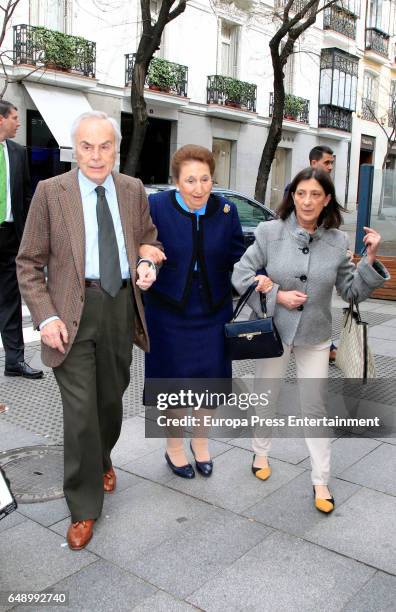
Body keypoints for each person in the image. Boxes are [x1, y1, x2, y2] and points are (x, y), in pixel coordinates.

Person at [17, 111, 162, 550]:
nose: (96, 156)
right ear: (73, 148)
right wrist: (45, 316)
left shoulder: (133, 190)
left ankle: (102, 458)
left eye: (104, 146)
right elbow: (27, 262)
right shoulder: (50, 192)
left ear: (115, 149)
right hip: (69, 312)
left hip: (120, 308)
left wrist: (147, 261)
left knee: (110, 401)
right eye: (86, 146)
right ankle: (83, 506)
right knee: (80, 412)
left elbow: (149, 239)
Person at [232, 167, 389, 513]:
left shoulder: (337, 241)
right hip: (273, 331)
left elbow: (351, 291)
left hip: (316, 333)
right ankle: (260, 451)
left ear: (327, 199)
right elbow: (241, 274)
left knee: (314, 407)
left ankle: (321, 480)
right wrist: (276, 294)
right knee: (266, 394)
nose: (307, 201)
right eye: (301, 193)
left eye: (315, 194)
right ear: (292, 195)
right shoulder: (269, 232)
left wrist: (371, 260)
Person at [145, 145, 245, 478]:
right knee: (172, 385)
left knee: (210, 382)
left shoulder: (226, 210)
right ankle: (174, 447)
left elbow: (239, 256)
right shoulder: (156, 207)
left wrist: (258, 274)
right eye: (190, 180)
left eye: (205, 179)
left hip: (214, 309)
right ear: (176, 181)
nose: (199, 188)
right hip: (168, 310)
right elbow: (142, 246)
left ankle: (201, 443)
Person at [0, 100, 43, 379]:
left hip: (10, 238)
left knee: (11, 302)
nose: (18, 122)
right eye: (14, 118)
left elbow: (26, 196)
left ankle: (14, 361)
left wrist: (28, 234)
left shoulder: (17, 153)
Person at [285, 145, 338, 362]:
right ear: (314, 162)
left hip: (316, 326)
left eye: (316, 195)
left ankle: (326, 345)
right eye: (327, 162)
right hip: (282, 318)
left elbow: (352, 289)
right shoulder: (297, 186)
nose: (331, 167)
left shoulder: (328, 189)